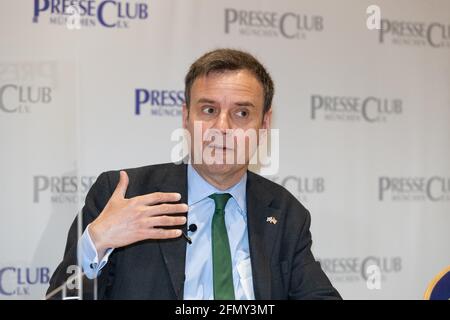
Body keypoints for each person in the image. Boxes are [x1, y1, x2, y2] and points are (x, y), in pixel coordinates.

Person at [47, 48, 341, 300]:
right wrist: (95, 244)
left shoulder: (285, 213)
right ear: (186, 116)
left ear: (264, 124)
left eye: (241, 113)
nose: (222, 128)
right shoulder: (124, 194)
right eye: (209, 110)